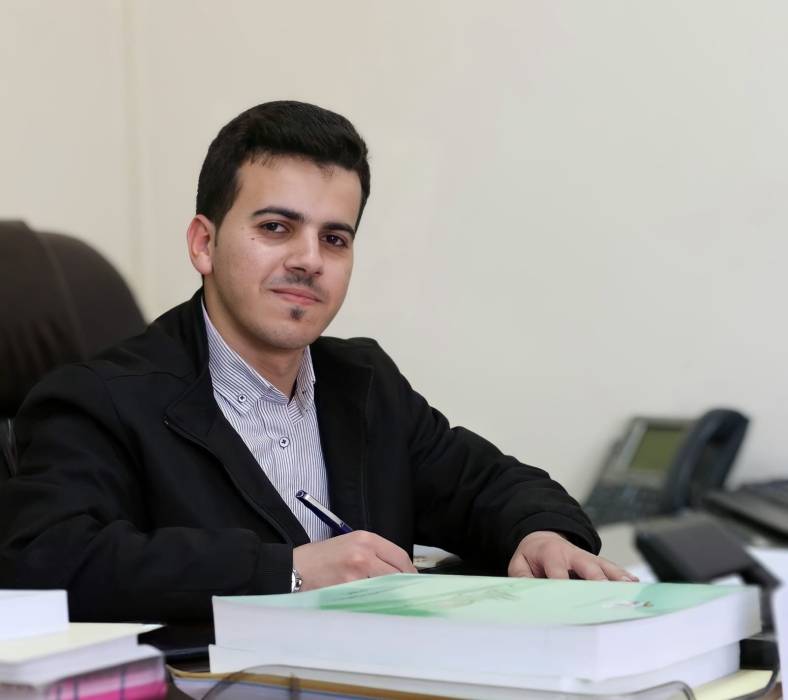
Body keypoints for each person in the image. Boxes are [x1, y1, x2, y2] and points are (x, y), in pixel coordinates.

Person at [0, 101, 633, 622]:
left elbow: (491, 485)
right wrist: (289, 571)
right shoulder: (100, 399)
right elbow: (42, 560)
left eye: (334, 238)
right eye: (276, 228)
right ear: (204, 244)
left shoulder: (362, 383)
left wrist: (542, 535)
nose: (309, 260)